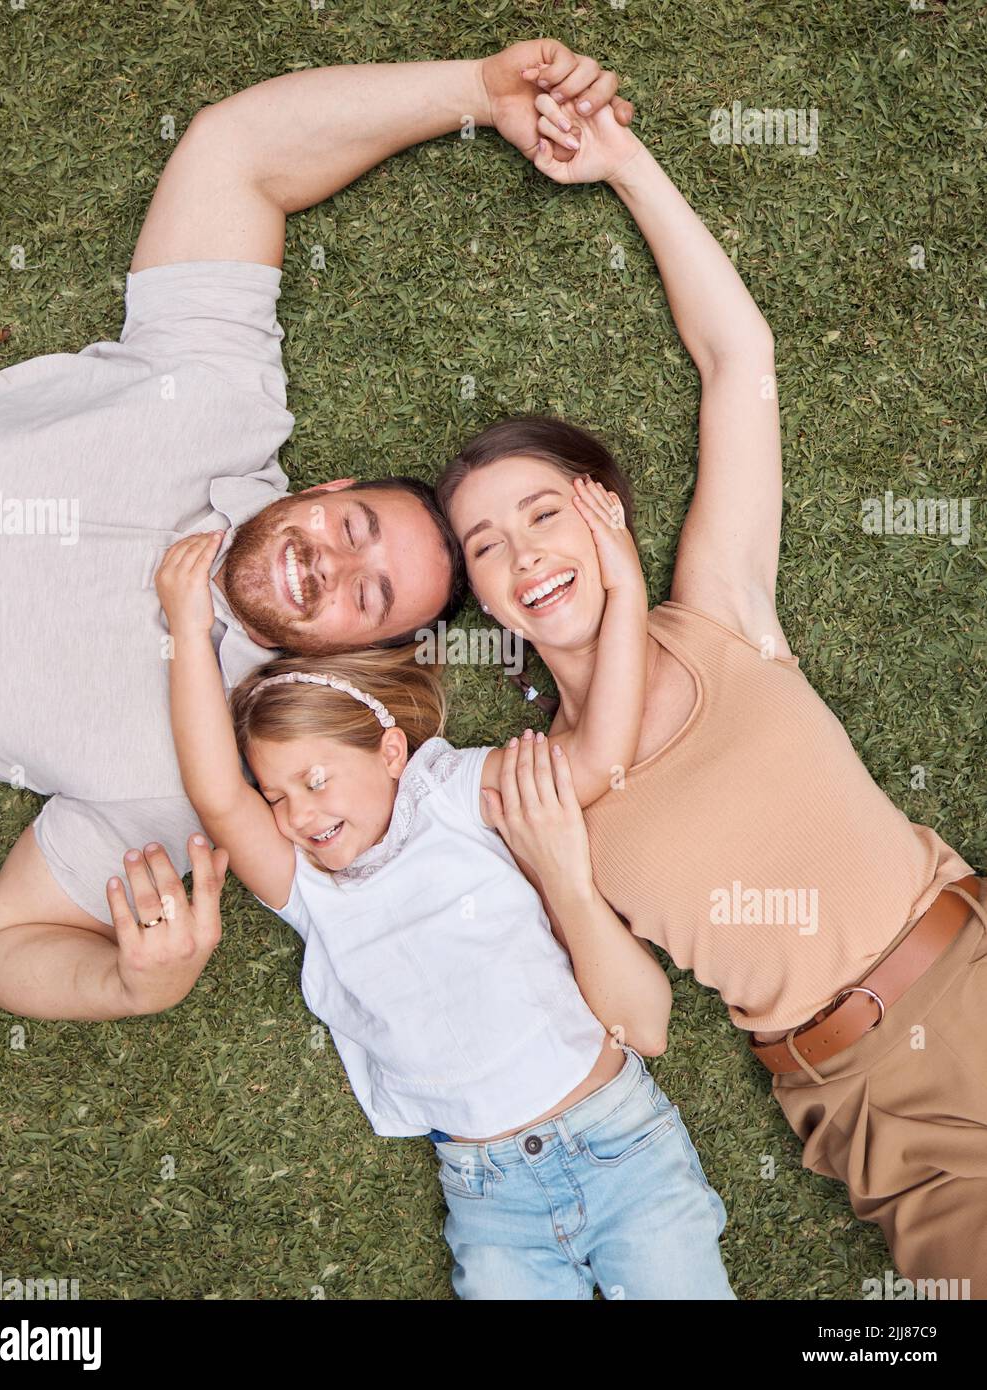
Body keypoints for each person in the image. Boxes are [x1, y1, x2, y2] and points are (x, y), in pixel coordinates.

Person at [0, 40, 633, 1021]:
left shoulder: (202, 769)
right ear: (327, 485)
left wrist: (133, 979)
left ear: (356, 648)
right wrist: (474, 93)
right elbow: (237, 154)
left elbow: (6, 946)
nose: (331, 563)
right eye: (352, 526)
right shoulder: (220, 406)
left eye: (366, 595)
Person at [438, 89, 987, 1295]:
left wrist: (624, 162)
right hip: (873, 1097)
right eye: (484, 546)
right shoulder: (541, 792)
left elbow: (737, 357)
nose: (524, 554)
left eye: (544, 510)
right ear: (481, 599)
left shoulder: (718, 612)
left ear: (608, 511)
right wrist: (568, 879)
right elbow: (635, 1019)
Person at [135, 487, 734, 1300]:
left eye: (313, 780)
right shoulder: (311, 891)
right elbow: (217, 796)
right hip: (491, 1198)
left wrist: (624, 589)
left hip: (617, 1143)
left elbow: (596, 760)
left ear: (390, 751)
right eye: (278, 798)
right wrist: (188, 633)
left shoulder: (448, 794)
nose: (300, 814)